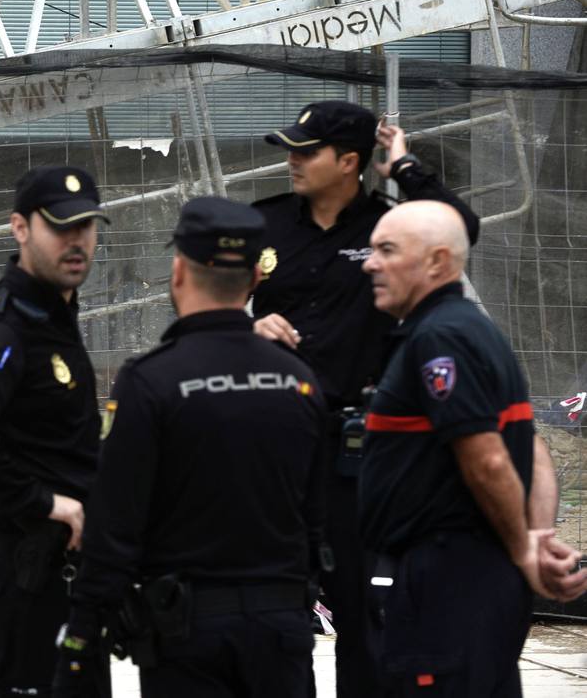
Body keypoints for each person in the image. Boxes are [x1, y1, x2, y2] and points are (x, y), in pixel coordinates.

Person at [54, 196, 328, 698]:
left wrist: (84, 629)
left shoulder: (150, 381)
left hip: (187, 634)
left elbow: (117, 521)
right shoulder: (299, 380)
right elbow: (315, 510)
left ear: (178, 271)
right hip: (281, 626)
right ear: (254, 280)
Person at [250, 100, 479, 698]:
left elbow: (461, 229)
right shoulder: (263, 226)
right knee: (275, 615)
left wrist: (403, 168)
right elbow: (198, 295)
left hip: (360, 453)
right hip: (276, 446)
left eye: (306, 151)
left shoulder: (389, 229)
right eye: (291, 150)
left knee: (363, 615)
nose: (293, 162)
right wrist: (241, 326)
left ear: (349, 161)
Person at [358, 200, 587, 696]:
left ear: (438, 262)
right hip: (474, 581)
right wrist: (536, 537)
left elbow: (485, 457)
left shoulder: (440, 338)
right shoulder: (469, 331)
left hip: (448, 582)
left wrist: (525, 550)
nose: (370, 263)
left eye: (387, 250)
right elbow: (533, 448)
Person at [0, 164, 110, 698]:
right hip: (24, 569)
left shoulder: (53, 314)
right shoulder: (4, 326)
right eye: (60, 227)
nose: (75, 241)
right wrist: (41, 502)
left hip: (60, 571)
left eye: (86, 227)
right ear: (20, 228)